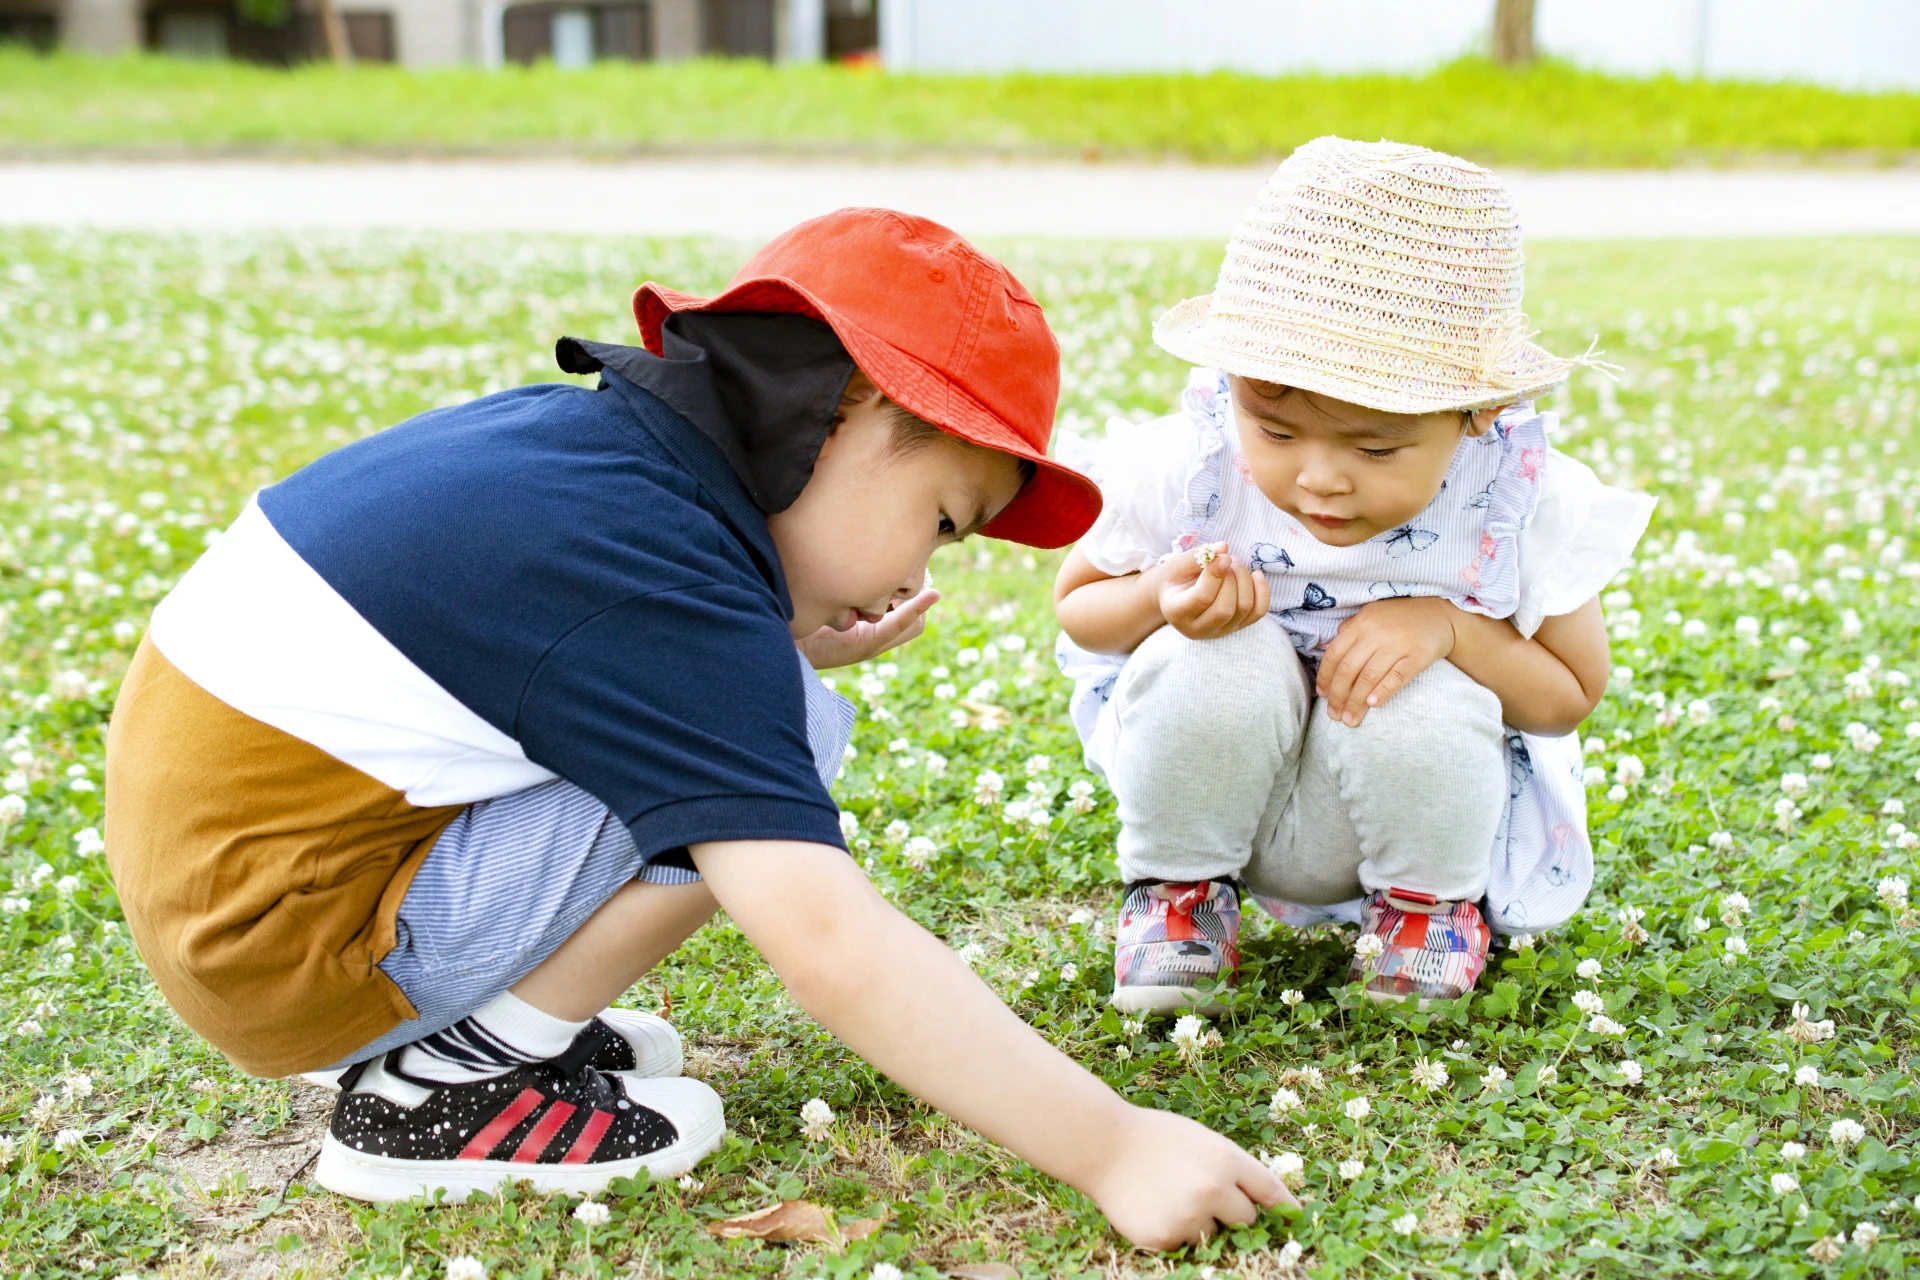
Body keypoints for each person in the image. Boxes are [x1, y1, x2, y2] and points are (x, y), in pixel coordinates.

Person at [103, 208, 1288, 1245]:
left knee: (766, 707)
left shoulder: (597, 466)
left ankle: (485, 1028)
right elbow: (825, 936)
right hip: (292, 948)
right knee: (785, 735)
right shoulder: (659, 573)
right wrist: (1113, 1145)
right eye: (941, 519)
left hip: (254, 900)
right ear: (852, 406)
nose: (919, 572)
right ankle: (445, 1087)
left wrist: (775, 646)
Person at [1053, 139, 1655, 1015]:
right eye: (1276, 432)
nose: (1321, 479)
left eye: (1375, 449)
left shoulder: (1513, 496)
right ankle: (1177, 901)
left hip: (1404, 816)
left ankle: (1424, 918)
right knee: (1216, 654)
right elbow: (1077, 607)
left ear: (1478, 413)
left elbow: (1568, 696)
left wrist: (1449, 629)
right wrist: (1161, 598)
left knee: (1426, 687)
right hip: (1214, 798)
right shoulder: (1191, 461)